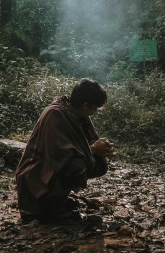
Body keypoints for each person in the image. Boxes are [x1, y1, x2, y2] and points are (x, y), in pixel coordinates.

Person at [16, 78, 114, 223]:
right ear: (86, 105)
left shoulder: (76, 113)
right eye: (94, 109)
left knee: (94, 163)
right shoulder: (54, 114)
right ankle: (47, 207)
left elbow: (85, 141)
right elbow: (59, 154)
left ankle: (58, 202)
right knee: (76, 165)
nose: (94, 112)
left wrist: (102, 148)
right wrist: (93, 149)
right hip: (36, 173)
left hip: (52, 168)